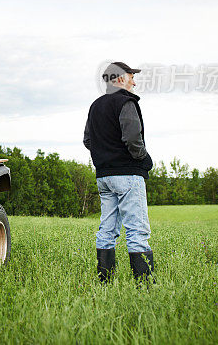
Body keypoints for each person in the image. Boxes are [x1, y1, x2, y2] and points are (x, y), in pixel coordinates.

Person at [83, 61, 155, 284]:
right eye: (131, 76)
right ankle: (144, 287)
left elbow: (88, 140)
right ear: (120, 79)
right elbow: (133, 139)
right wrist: (143, 159)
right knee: (137, 230)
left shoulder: (95, 106)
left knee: (107, 229)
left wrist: (106, 156)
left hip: (104, 176)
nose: (134, 81)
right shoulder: (126, 102)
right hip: (127, 174)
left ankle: (105, 282)